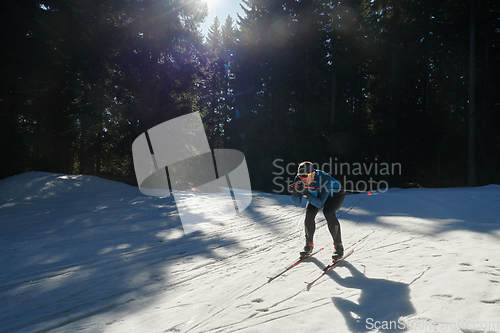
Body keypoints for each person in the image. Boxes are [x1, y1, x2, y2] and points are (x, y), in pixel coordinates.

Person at [291, 161, 346, 261]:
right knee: (309, 214)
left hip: (335, 195)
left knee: (328, 212)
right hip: (317, 195)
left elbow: (320, 203)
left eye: (305, 176)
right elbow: (297, 203)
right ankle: (309, 245)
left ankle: (339, 248)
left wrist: (306, 194)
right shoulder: (298, 179)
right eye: (300, 175)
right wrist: (295, 193)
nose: (302, 178)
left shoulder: (324, 178)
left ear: (313, 174)